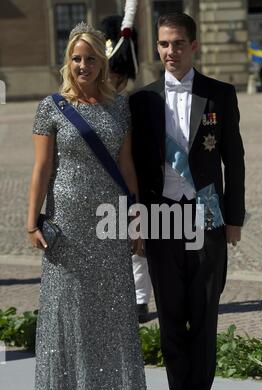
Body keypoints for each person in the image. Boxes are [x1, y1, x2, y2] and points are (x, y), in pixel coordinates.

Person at [8, 22, 149, 390]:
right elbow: (41, 169)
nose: (83, 65)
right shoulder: (51, 107)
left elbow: (127, 169)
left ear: (101, 62)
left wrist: (136, 221)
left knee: (108, 318)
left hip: (109, 223)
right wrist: (33, 221)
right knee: (68, 319)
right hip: (66, 227)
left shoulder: (118, 107)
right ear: (67, 62)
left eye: (90, 58)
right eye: (76, 58)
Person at [129, 13, 245, 390]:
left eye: (178, 43)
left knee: (205, 313)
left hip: (208, 214)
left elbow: (235, 159)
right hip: (162, 218)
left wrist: (234, 219)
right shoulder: (141, 101)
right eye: (163, 44)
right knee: (172, 317)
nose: (170, 52)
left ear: (194, 46)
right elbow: (136, 168)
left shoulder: (219, 95)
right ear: (156, 47)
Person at [100, 14, 153, 324]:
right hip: (99, 179)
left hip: (130, 176)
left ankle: (140, 298)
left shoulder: (132, 103)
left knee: (136, 241)